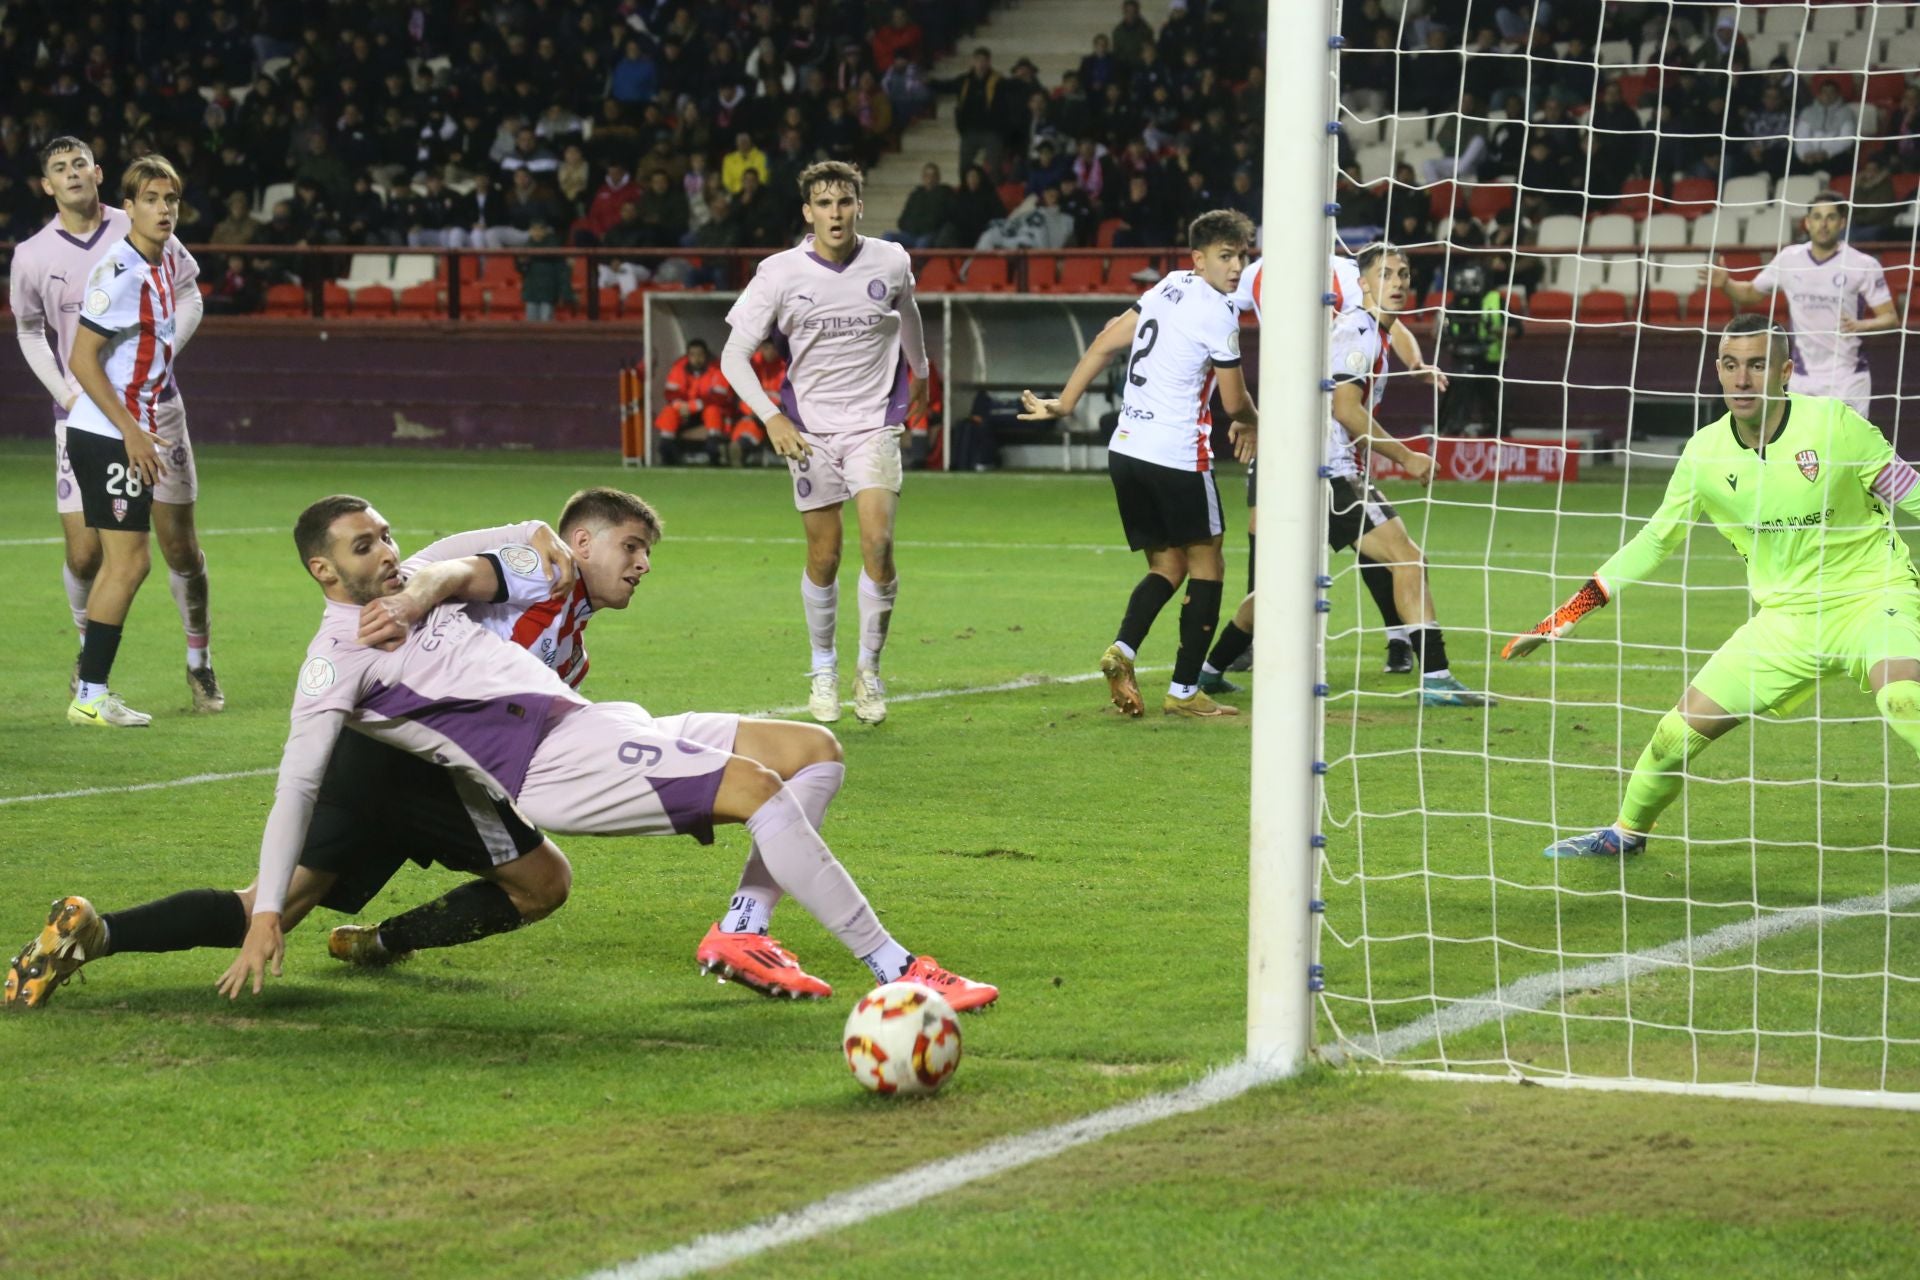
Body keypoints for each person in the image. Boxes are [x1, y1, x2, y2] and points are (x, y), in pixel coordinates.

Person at [1508, 317, 1920, 858]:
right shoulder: (1704, 454)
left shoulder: (1835, 425)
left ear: (1785, 372)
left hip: (1872, 597)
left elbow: (1911, 493)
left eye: (1757, 365)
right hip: (1786, 624)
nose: (1742, 379)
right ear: (1718, 371)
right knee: (1673, 737)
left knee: (1903, 696)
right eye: (1731, 365)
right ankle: (1624, 835)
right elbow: (1652, 542)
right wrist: (1565, 615)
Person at [1017, 209, 1258, 719]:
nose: (1237, 266)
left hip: (1127, 449)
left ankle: (1122, 650)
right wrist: (1255, 423)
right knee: (1208, 562)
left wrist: (1064, 403)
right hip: (1177, 453)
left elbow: (1105, 341)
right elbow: (1234, 403)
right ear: (1199, 259)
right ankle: (1185, 691)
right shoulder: (1219, 312)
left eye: (1242, 255)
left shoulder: (1168, 285)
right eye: (1225, 256)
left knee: (1167, 565)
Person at [12, 138, 219, 718]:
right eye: (152, 199)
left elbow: (184, 303)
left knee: (155, 554)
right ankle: (91, 691)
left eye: (171, 200)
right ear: (130, 206)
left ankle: (111, 685)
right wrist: (127, 427)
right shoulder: (119, 270)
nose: (164, 209)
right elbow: (80, 357)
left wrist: (155, 376)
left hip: (140, 418)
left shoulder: (158, 257)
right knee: (114, 559)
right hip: (110, 426)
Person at [720, 160, 931, 726]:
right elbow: (733, 356)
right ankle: (823, 668)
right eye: (823, 204)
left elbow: (908, 313)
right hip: (808, 431)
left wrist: (922, 372)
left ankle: (869, 672)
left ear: (859, 206)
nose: (834, 214)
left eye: (843, 202)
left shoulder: (891, 260)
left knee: (878, 543)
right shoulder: (779, 273)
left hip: (873, 424)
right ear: (807, 212)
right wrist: (771, 418)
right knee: (825, 555)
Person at [1324, 244, 1491, 707]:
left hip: (1328, 469)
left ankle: (1208, 669)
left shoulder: (1372, 331)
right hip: (1331, 472)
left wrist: (1416, 367)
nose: (1397, 282)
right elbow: (1345, 409)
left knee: (1287, 585)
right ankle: (1435, 678)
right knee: (1408, 559)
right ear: (1362, 283)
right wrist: (1406, 457)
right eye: (1385, 274)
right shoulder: (1358, 331)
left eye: (1403, 274)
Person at [1703, 194, 1895, 416]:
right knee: (1802, 439)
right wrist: (1726, 284)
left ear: (1842, 222)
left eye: (1831, 217)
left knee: (1849, 439)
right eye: (1817, 217)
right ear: (1807, 222)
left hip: (1848, 377)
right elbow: (1749, 294)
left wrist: (1862, 325)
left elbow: (1890, 318)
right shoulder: (1789, 259)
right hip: (1802, 378)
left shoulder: (1863, 264)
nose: (1823, 224)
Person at [653, 338, 731, 466]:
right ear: (687, 356)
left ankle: (714, 449)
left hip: (707, 411)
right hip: (685, 412)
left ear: (706, 355)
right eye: (693, 355)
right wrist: (680, 405)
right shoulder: (679, 368)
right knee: (669, 411)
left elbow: (719, 396)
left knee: (713, 410)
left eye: (700, 354)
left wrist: (695, 405)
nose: (696, 358)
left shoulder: (717, 369)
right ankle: (666, 448)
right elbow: (671, 393)